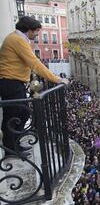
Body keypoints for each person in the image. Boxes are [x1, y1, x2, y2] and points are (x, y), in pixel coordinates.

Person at [0, 16, 69, 157]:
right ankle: (10, 148)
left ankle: (13, 144)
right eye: (36, 31)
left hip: (13, 82)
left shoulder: (17, 38)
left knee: (21, 113)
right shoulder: (17, 40)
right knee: (13, 115)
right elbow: (34, 63)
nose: (37, 34)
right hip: (10, 82)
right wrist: (56, 79)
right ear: (29, 30)